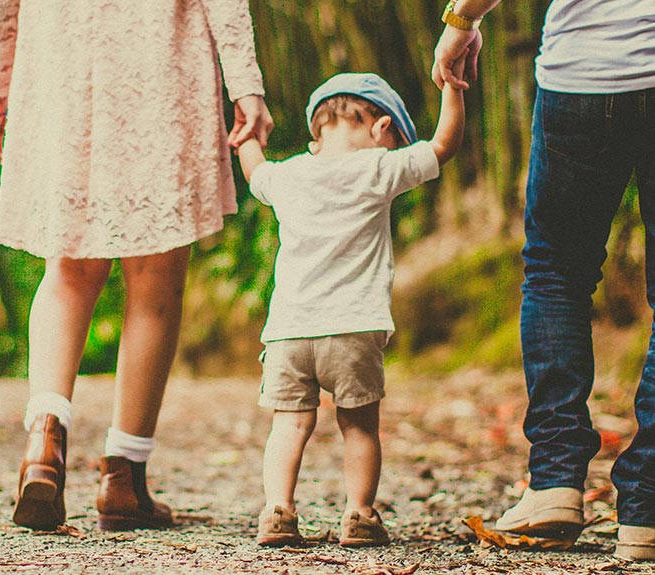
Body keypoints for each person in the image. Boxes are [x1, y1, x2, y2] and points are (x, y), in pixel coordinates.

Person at [0, 1, 273, 531]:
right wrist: (244, 83)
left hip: (61, 59)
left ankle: (44, 441)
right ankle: (124, 476)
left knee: (67, 268)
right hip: (161, 57)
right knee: (156, 277)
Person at [432, 0, 655, 562]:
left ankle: (556, 482)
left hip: (584, 73)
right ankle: (650, 505)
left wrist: (462, 20)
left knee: (558, 272)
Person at [235, 71, 464, 547]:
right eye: (395, 141)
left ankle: (278, 509)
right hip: (354, 328)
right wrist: (453, 89)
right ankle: (359, 514)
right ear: (382, 131)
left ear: (317, 132)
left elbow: (254, 168)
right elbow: (444, 144)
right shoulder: (377, 170)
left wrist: (248, 133)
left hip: (289, 332)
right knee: (359, 426)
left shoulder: (290, 174)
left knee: (289, 424)